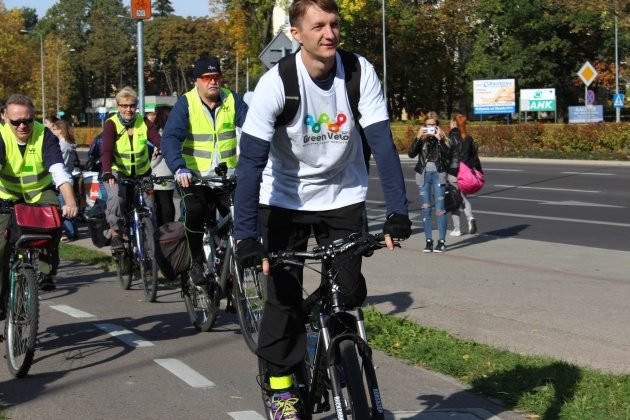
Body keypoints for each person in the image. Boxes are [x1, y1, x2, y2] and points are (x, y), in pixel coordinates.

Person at [233, 1, 411, 417]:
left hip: (342, 195)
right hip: (283, 201)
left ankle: (342, 358)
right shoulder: (276, 84)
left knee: (347, 292)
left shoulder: (358, 71)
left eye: (333, 24)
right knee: (282, 302)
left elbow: (383, 145)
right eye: (318, 26)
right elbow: (250, 165)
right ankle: (282, 393)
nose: (328, 33)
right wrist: (246, 236)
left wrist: (397, 212)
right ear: (296, 34)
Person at [162, 55, 248, 285]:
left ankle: (232, 263)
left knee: (244, 213)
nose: (213, 82)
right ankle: (196, 262)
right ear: (196, 81)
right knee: (193, 210)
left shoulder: (232, 99)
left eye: (216, 77)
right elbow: (170, 138)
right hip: (195, 178)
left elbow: (253, 128)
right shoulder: (186, 103)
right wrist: (179, 167)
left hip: (227, 177)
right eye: (207, 78)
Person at [0, 94, 79, 297]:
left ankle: (46, 273)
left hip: (39, 193)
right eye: (16, 121)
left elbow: (59, 171)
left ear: (34, 116)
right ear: (5, 117)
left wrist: (70, 201)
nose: (22, 126)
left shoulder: (44, 135)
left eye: (27, 120)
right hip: (6, 195)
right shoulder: (1, 135)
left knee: (53, 221)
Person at [100, 86, 161, 251]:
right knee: (116, 199)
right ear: (118, 106)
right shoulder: (111, 124)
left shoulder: (144, 122)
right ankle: (116, 234)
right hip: (117, 172)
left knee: (149, 206)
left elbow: (157, 139)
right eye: (124, 106)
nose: (129, 109)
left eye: (132, 105)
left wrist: (164, 149)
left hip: (143, 173)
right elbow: (105, 150)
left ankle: (149, 250)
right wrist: (107, 172)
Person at [408, 111, 452, 253]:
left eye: (433, 125)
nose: (431, 128)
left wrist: (439, 139)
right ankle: (428, 241)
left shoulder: (443, 139)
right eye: (428, 125)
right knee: (426, 209)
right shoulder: (422, 139)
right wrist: (418, 137)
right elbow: (411, 154)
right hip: (424, 175)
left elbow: (449, 155)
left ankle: (441, 242)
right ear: (424, 125)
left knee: (440, 209)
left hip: (439, 174)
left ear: (438, 126)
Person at [447, 114, 481, 235]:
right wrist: (478, 172)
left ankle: (457, 229)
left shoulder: (451, 137)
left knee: (454, 200)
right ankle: (470, 217)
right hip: (465, 173)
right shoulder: (469, 138)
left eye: (451, 122)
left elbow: (447, 157)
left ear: (454, 123)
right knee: (463, 198)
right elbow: (475, 158)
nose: (450, 124)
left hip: (453, 173)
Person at [50, 119, 79, 241]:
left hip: (63, 179)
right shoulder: (69, 143)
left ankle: (70, 233)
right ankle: (71, 231)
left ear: (60, 130)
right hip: (69, 175)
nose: (51, 131)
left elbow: (61, 163)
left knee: (66, 207)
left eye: (54, 129)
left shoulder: (62, 145)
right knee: (67, 205)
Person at [148, 106, 175, 227]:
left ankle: (164, 229)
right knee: (169, 201)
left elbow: (156, 157)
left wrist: (149, 166)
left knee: (161, 203)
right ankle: (170, 227)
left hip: (159, 174)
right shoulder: (174, 132)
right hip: (171, 172)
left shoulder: (160, 134)